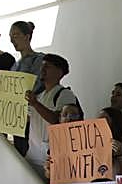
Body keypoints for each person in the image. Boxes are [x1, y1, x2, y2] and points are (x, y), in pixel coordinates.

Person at [23, 53, 77, 168]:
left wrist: (35, 104)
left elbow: (57, 120)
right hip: (33, 155)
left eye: (47, 66)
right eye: (42, 66)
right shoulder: (38, 96)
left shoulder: (64, 94)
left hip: (50, 159)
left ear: (59, 72)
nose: (42, 69)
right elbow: (25, 119)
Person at [8, 21, 43, 155]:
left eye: (16, 35)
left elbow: (36, 86)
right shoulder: (15, 66)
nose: (12, 40)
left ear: (27, 36)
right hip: (18, 119)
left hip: (33, 117)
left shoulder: (40, 59)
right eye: (11, 37)